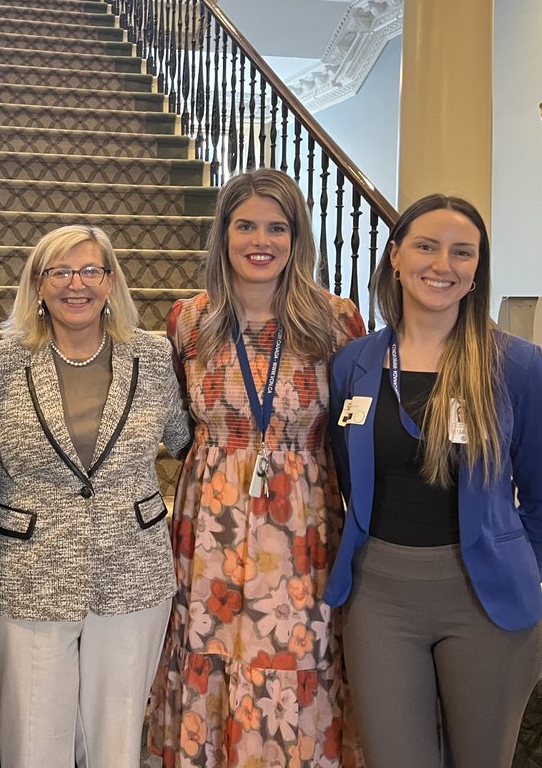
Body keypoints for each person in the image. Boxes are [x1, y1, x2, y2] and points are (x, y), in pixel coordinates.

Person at [325, 194, 542, 767]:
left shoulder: (515, 364)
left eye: (463, 252)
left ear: (477, 268)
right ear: (395, 257)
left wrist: (514, 565)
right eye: (427, 246)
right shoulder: (353, 364)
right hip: (379, 596)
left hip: (483, 600)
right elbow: (345, 472)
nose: (443, 265)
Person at [147, 168, 365, 767]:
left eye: (276, 226)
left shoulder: (335, 320)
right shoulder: (189, 320)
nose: (259, 240)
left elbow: (355, 433)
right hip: (210, 522)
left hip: (303, 525)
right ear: (224, 234)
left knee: (300, 660)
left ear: (297, 238)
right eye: (245, 225)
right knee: (208, 653)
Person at [0, 225, 190, 767]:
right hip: (26, 576)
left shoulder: (154, 356)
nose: (77, 284)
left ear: (111, 280)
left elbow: (193, 442)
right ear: (38, 285)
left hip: (132, 572)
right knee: (30, 744)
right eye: (60, 272)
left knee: (116, 743)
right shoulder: (0, 363)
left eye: (91, 270)